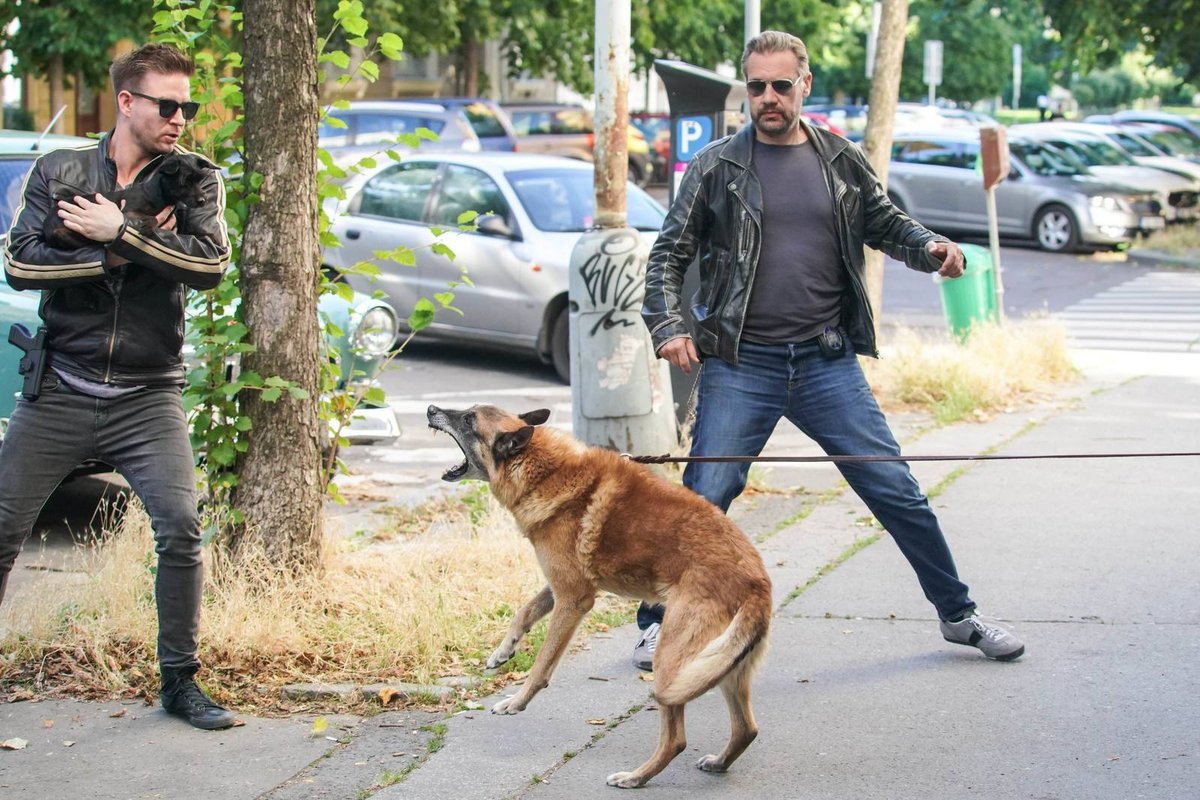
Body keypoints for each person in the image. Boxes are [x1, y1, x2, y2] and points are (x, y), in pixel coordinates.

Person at [635, 30, 1024, 671]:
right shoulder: (716, 167)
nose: (767, 98)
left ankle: (959, 616)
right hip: (742, 364)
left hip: (826, 364)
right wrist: (670, 326)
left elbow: (885, 222)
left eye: (780, 86)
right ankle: (654, 624)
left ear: (803, 85)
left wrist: (928, 248)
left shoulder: (838, 159)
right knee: (702, 499)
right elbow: (668, 256)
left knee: (895, 489)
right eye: (756, 86)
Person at [0, 43, 234, 729]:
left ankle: (180, 683)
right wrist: (112, 251)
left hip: (148, 393)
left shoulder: (193, 179)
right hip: (61, 387)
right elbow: (20, 264)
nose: (181, 118)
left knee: (181, 529)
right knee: (3, 527)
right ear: (127, 102)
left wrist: (119, 229)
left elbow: (211, 264)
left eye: (188, 106)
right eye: (168, 105)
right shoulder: (60, 170)